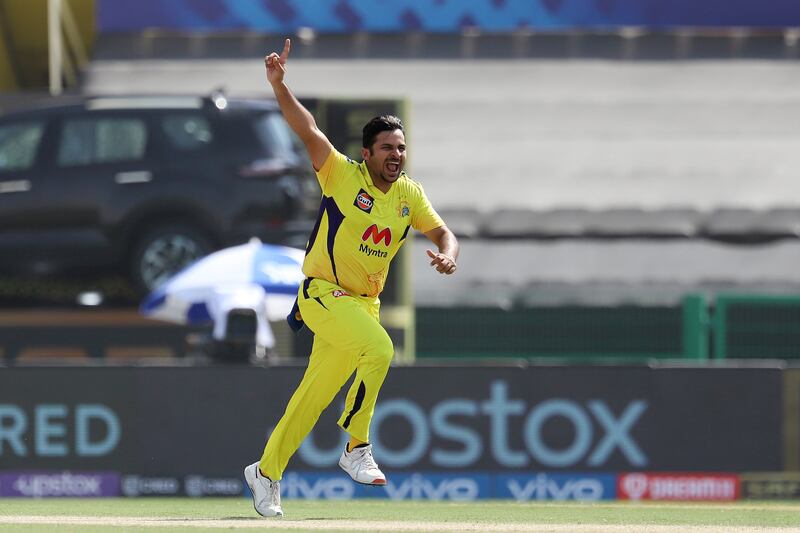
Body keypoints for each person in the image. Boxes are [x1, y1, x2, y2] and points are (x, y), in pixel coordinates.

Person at [244, 38, 459, 518]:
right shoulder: (341, 175)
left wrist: (447, 255)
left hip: (362, 305)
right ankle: (356, 447)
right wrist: (280, 87)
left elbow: (444, 232)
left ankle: (265, 473)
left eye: (401, 148)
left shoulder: (409, 194)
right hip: (323, 294)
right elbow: (308, 129)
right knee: (381, 349)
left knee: (311, 400)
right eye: (387, 148)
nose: (396, 155)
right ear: (367, 152)